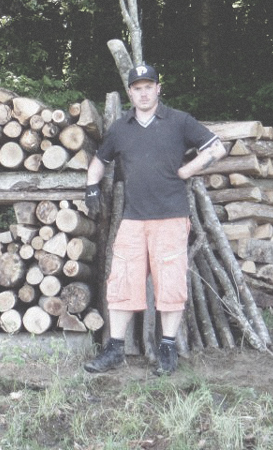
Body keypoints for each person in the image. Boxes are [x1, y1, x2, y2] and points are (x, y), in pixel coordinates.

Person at [83, 63, 226, 375]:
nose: (144, 92)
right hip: (133, 219)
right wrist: (91, 187)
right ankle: (115, 350)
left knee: (170, 284)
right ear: (130, 93)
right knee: (121, 281)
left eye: (149, 86)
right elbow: (98, 161)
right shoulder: (121, 128)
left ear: (158, 89)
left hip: (171, 218)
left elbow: (218, 147)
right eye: (137, 88)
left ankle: (167, 349)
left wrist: (188, 169)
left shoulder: (178, 122)